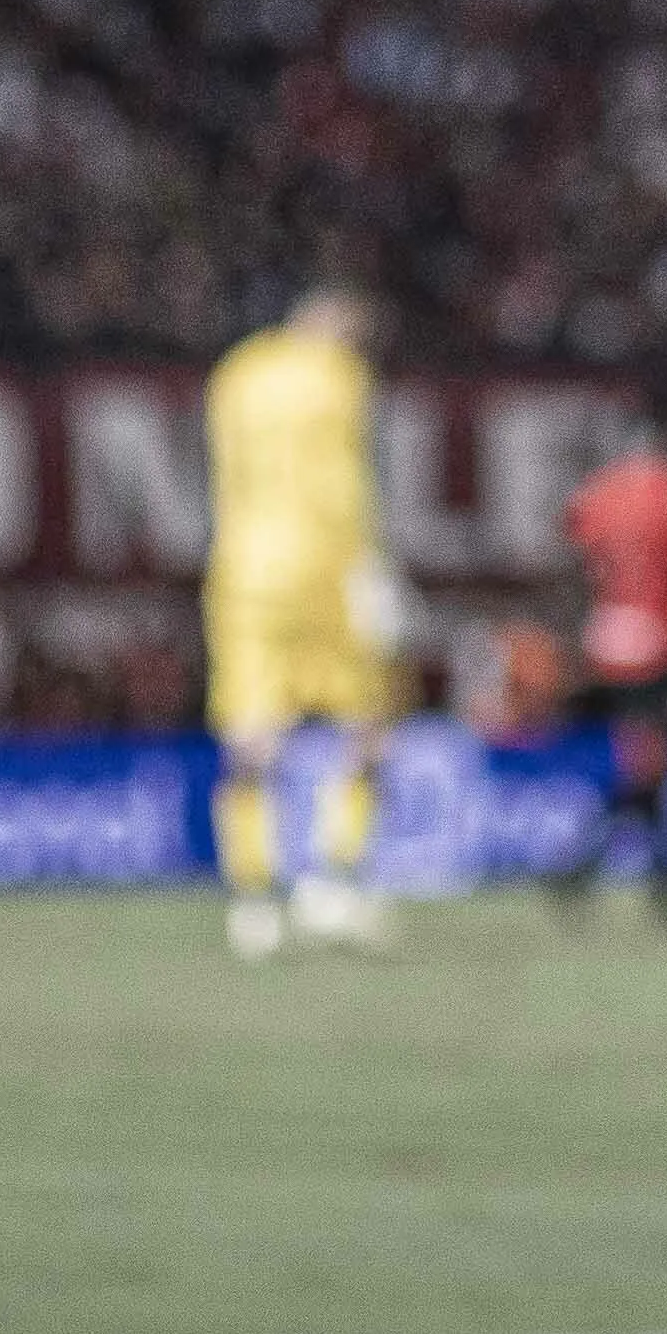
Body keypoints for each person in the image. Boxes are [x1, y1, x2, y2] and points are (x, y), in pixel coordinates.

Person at [201, 283, 406, 959]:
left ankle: (252, 900)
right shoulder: (338, 377)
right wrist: (372, 567)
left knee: (250, 733)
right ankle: (334, 882)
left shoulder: (237, 371)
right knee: (368, 723)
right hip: (323, 565)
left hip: (242, 567)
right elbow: (346, 482)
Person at [548, 383, 667, 923]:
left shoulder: (598, 491)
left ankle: (657, 882)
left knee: (651, 764)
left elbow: (573, 559)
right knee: (656, 764)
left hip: (606, 641)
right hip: (654, 646)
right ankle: (594, 868)